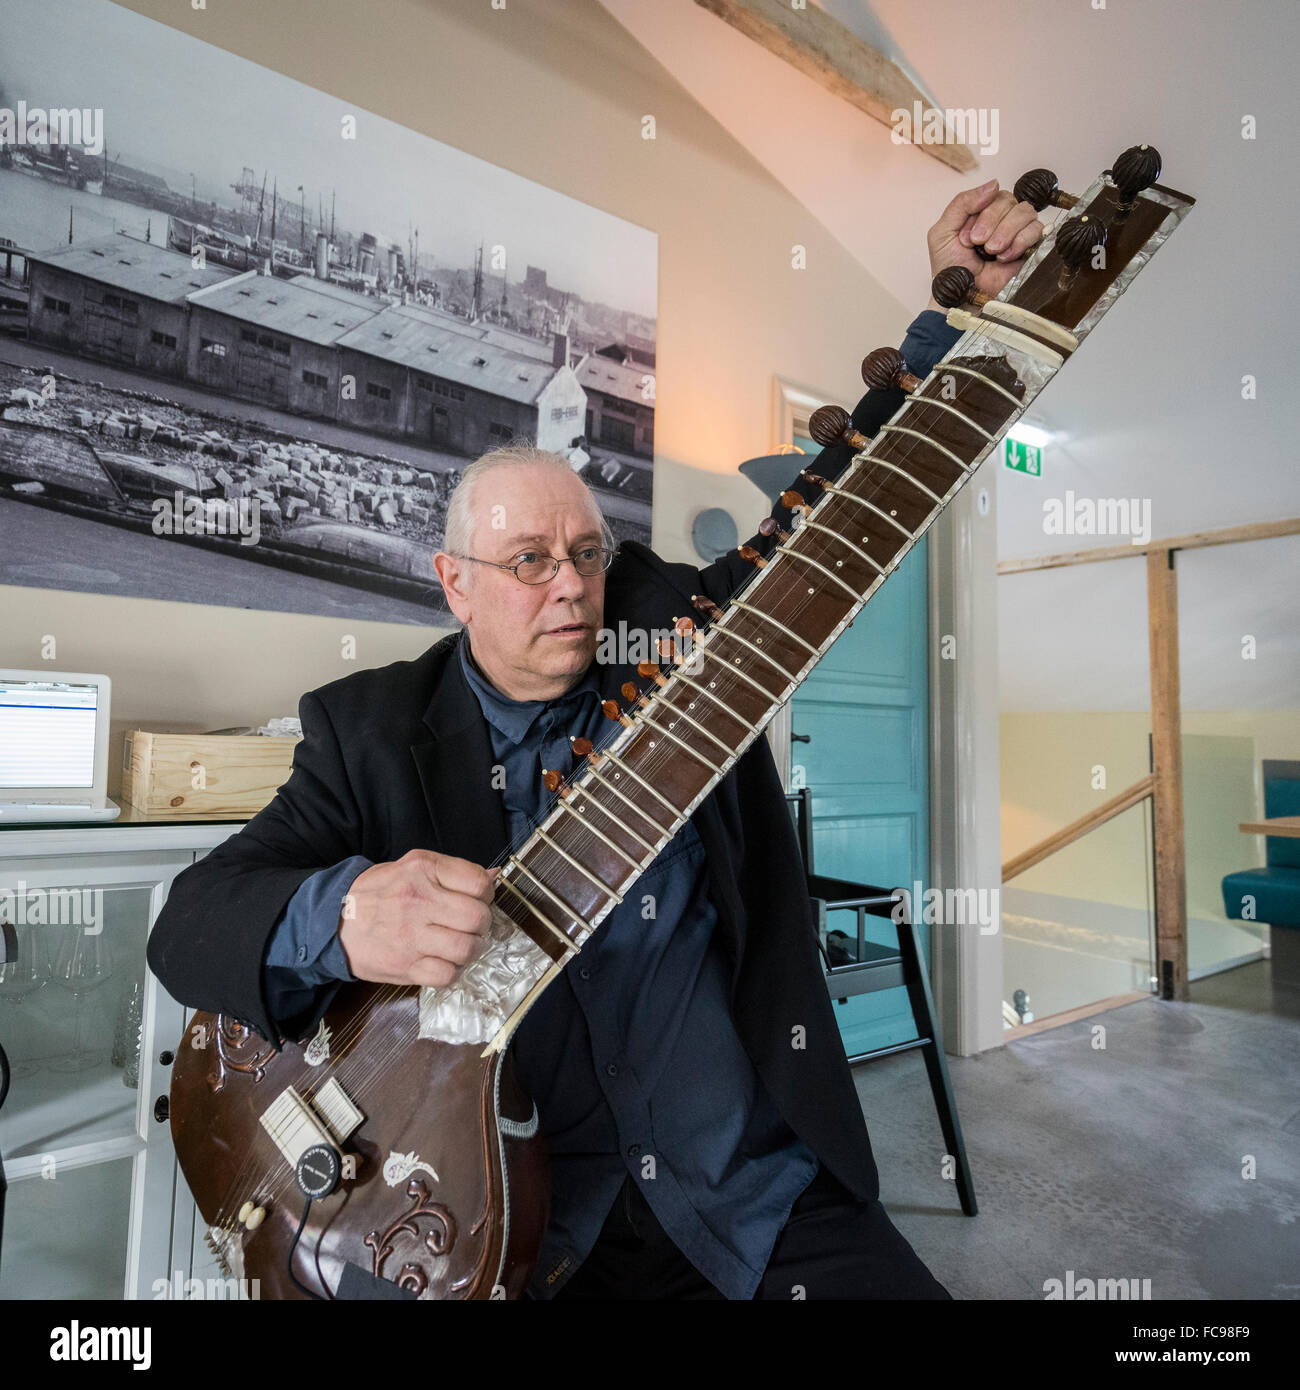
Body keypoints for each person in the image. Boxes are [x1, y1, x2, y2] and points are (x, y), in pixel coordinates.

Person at [148, 180, 1044, 1299]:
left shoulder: (674, 638)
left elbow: (836, 512)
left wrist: (963, 323)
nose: (570, 586)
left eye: (587, 553)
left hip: (747, 1195)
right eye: (528, 560)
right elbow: (189, 925)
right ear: (454, 585)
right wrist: (343, 915)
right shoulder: (369, 729)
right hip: (520, 1227)